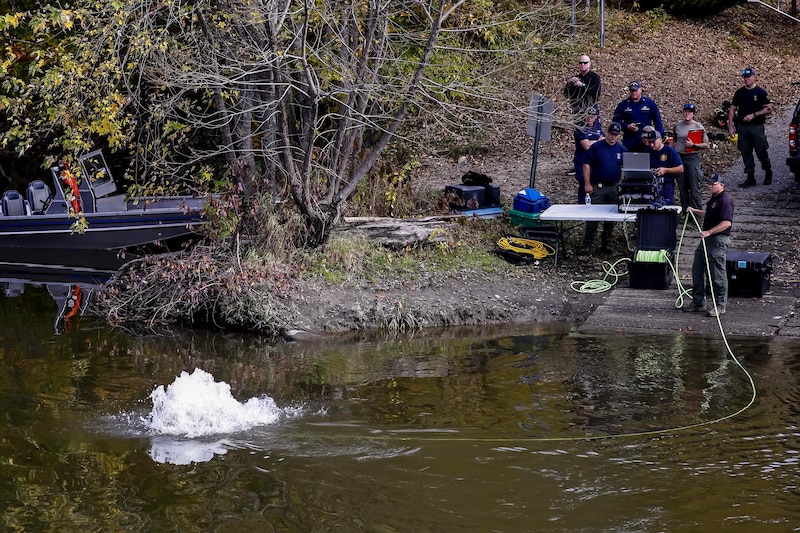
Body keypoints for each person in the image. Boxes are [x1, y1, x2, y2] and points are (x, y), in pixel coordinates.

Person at [683, 172, 734, 317]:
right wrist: (695, 211)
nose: (710, 186)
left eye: (714, 184)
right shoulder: (713, 199)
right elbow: (709, 214)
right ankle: (698, 302)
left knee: (718, 274)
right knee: (697, 268)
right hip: (706, 240)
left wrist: (709, 232)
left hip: (718, 240)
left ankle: (720, 305)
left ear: (721, 185)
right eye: (710, 184)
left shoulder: (725, 200)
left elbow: (726, 223)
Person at [581, 121, 627, 254]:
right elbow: (586, 164)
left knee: (611, 217)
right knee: (592, 217)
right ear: (607, 133)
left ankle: (607, 243)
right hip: (598, 186)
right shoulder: (597, 147)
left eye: (616, 135)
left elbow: (628, 168)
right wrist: (587, 183)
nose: (613, 137)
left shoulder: (621, 150)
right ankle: (587, 244)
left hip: (614, 186)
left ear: (619, 136)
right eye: (611, 134)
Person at [728, 67, 773, 187]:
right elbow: (732, 109)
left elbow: (768, 108)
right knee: (745, 151)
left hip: (756, 126)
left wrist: (754, 115)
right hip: (742, 127)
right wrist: (730, 126)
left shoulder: (760, 92)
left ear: (754, 77)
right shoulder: (740, 93)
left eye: (749, 77)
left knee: (761, 150)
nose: (746, 79)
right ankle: (750, 176)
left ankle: (768, 171)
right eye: (745, 77)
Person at [672, 103, 709, 211]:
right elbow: (674, 140)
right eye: (686, 111)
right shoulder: (678, 126)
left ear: (693, 114)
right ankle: (685, 212)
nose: (687, 113)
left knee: (694, 186)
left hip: (692, 156)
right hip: (679, 157)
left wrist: (694, 145)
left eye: (690, 112)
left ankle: (697, 212)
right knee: (682, 187)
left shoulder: (698, 127)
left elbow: (706, 144)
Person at [612, 80, 664, 151]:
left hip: (647, 140)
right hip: (630, 140)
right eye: (632, 91)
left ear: (641, 90)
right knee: (630, 160)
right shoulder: (623, 105)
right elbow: (616, 122)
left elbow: (657, 121)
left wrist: (660, 136)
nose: (633, 93)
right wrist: (627, 126)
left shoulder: (649, 104)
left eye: (635, 90)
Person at [641, 126, 683, 206]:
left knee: (666, 206)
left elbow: (680, 168)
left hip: (666, 184)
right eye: (650, 142)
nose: (652, 145)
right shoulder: (647, 151)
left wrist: (666, 170)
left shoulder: (670, 151)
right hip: (650, 185)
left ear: (660, 140)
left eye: (654, 142)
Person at [573, 105, 604, 203]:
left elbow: (604, 139)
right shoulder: (580, 127)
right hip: (582, 161)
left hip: (595, 162)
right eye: (588, 116)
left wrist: (593, 142)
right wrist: (597, 141)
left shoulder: (597, 126)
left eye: (592, 117)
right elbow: (586, 146)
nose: (590, 119)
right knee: (584, 184)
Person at [564, 54, 602, 118]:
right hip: (577, 109)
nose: (582, 65)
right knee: (577, 127)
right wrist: (569, 83)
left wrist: (582, 85)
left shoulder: (594, 77)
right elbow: (567, 94)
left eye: (585, 63)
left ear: (589, 64)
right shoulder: (576, 78)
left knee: (591, 127)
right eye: (581, 63)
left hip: (590, 108)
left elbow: (596, 92)